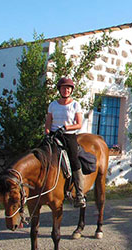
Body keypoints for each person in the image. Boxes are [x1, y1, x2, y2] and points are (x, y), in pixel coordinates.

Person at [44, 77, 85, 208]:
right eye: (63, 88)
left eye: (68, 88)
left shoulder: (75, 105)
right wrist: (47, 132)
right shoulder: (53, 105)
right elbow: (48, 123)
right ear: (59, 90)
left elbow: (79, 124)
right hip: (54, 136)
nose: (65, 90)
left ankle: (79, 194)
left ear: (71, 90)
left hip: (68, 136)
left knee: (74, 161)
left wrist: (66, 127)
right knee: (43, 157)